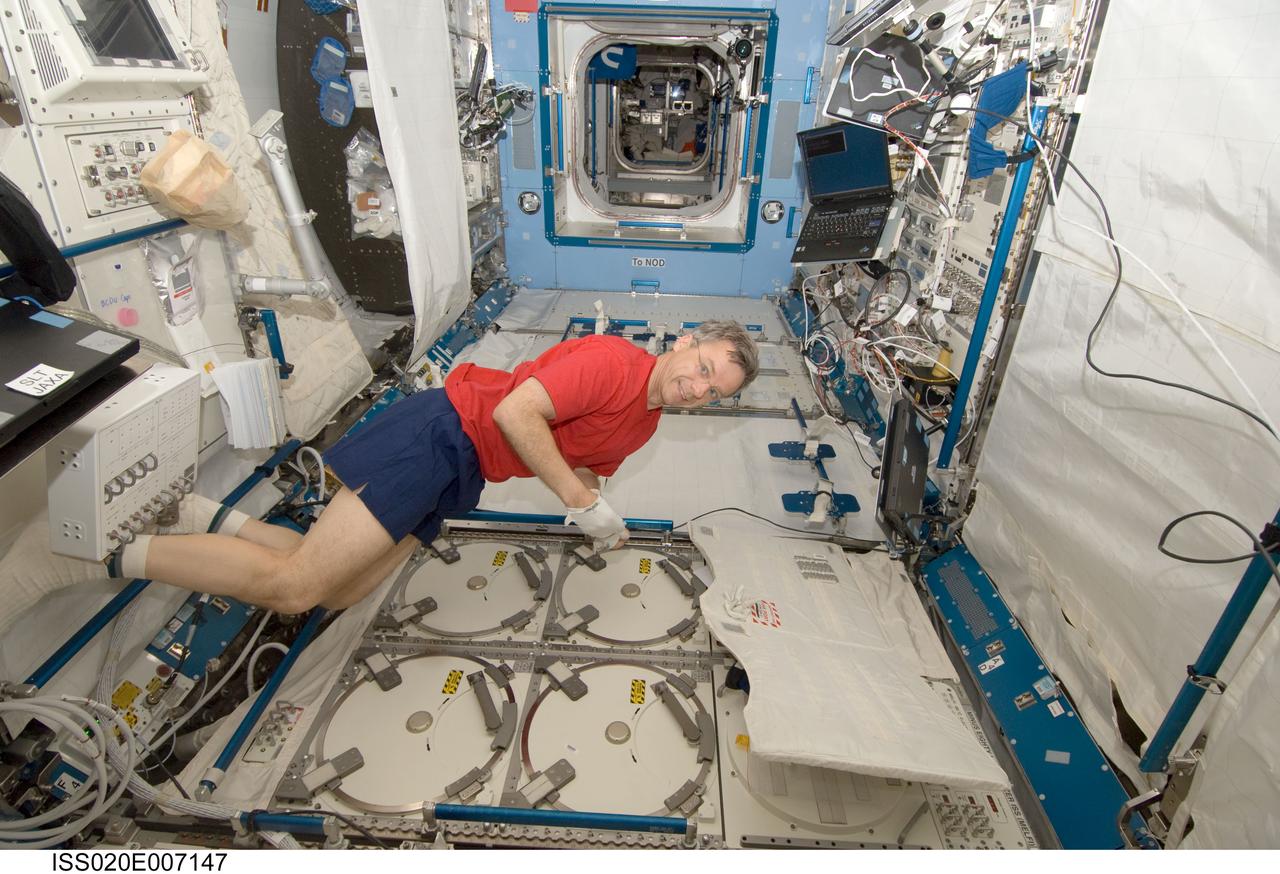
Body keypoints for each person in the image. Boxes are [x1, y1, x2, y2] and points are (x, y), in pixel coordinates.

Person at [108, 320, 759, 614]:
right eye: (704, 369)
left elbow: (583, 466)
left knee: (338, 591)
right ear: (685, 342)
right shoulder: (613, 364)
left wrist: (599, 508)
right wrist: (579, 500)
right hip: (442, 433)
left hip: (462, 473)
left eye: (714, 393)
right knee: (295, 590)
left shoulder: (644, 420)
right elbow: (516, 417)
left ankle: (204, 516)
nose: (700, 389)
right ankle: (117, 552)